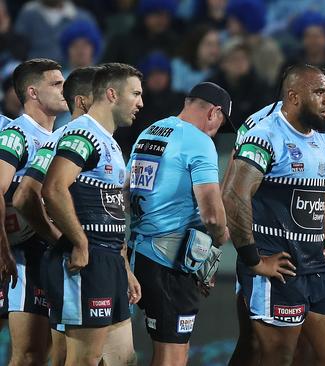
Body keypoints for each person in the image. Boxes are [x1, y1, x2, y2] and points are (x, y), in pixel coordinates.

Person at [13, 65, 141, 366]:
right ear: (111, 94)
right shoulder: (79, 134)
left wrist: (123, 266)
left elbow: (112, 211)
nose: (141, 103)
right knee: (81, 358)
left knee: (123, 358)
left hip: (108, 260)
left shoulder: (107, 141)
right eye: (135, 94)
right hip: (86, 263)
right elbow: (42, 191)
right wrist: (73, 241)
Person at [223, 64, 325, 366]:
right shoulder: (264, 135)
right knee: (275, 358)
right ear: (293, 97)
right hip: (280, 269)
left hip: (317, 268)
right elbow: (233, 195)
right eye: (319, 92)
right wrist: (254, 260)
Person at [126, 81, 231, 365]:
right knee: (172, 355)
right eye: (221, 122)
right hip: (170, 262)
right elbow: (212, 214)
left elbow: (126, 189)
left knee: (165, 350)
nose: (218, 129)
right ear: (214, 112)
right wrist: (220, 237)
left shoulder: (150, 132)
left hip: (140, 255)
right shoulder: (199, 141)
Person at [0, 58, 67, 366]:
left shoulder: (62, 138)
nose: (64, 88)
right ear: (33, 92)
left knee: (45, 354)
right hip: (22, 256)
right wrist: (3, 251)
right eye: (56, 83)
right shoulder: (17, 134)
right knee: (28, 354)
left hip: (49, 253)